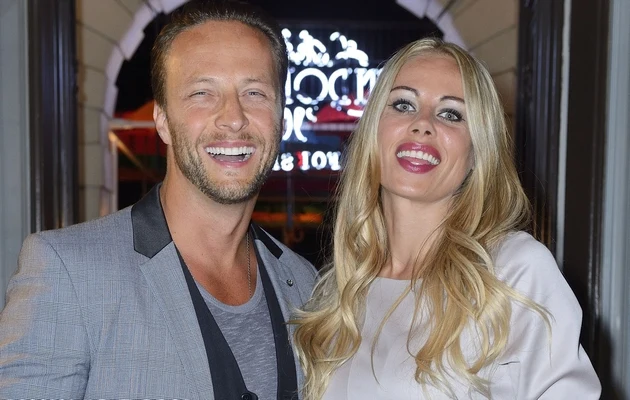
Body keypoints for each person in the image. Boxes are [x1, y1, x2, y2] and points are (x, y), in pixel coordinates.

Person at [0, 1, 316, 399]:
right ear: (162, 119)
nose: (233, 117)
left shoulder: (304, 284)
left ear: (281, 116)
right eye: (202, 93)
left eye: (254, 92)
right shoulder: (69, 273)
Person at [291, 37, 601, 399]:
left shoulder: (512, 271)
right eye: (403, 104)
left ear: (477, 153)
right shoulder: (339, 291)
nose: (422, 124)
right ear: (374, 130)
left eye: (451, 114)